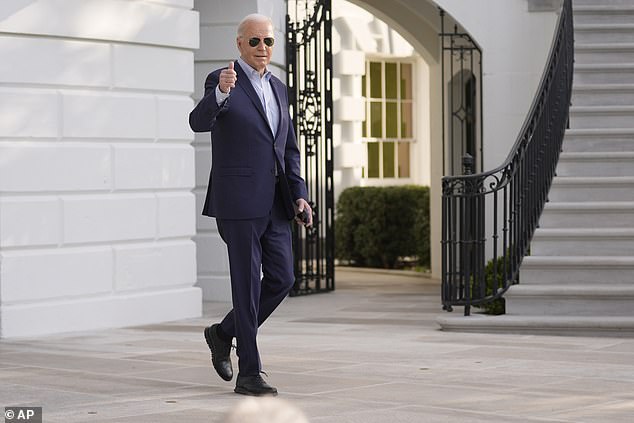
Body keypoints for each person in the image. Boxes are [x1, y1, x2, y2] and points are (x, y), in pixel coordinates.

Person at [189, 13, 312, 397]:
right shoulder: (223, 80)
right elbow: (198, 121)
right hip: (239, 201)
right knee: (246, 287)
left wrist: (299, 192)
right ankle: (250, 373)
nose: (263, 49)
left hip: (276, 203)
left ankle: (223, 332)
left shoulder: (279, 88)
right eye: (255, 42)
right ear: (240, 44)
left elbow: (287, 148)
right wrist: (221, 94)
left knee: (282, 279)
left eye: (269, 42)